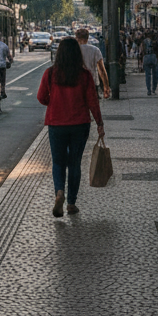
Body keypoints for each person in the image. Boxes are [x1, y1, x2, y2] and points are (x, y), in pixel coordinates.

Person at [37, 37, 104, 216]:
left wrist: (54, 102)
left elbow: (41, 97)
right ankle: (71, 203)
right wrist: (99, 123)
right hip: (80, 124)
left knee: (58, 162)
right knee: (74, 163)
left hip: (56, 123)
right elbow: (92, 101)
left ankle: (59, 192)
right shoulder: (84, 75)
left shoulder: (50, 73)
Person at [75, 28, 110, 98]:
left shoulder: (72, 50)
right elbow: (101, 70)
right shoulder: (95, 50)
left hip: (76, 83)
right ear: (87, 38)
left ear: (76, 38)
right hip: (92, 82)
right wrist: (106, 86)